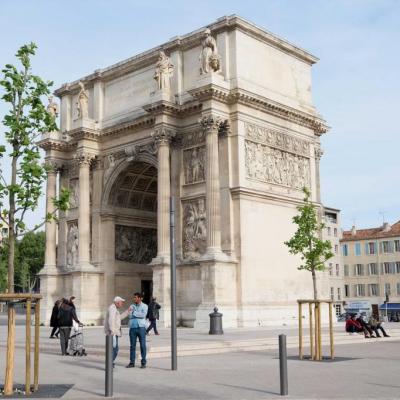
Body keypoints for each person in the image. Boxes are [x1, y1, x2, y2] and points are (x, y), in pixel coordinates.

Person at [104, 296, 131, 367]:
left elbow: (119, 318)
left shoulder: (115, 308)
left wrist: (127, 312)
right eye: (121, 302)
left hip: (114, 332)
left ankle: (110, 362)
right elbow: (111, 320)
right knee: (114, 349)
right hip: (112, 333)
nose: (122, 304)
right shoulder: (112, 308)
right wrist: (112, 331)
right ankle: (109, 363)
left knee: (114, 349)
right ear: (117, 302)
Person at [126, 293, 148, 369]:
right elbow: (129, 315)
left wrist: (133, 313)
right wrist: (135, 314)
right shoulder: (131, 306)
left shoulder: (144, 306)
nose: (134, 299)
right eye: (134, 297)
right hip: (132, 328)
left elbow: (143, 315)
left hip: (141, 327)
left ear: (140, 298)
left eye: (135, 297)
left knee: (143, 345)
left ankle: (143, 362)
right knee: (132, 346)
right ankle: (132, 362)